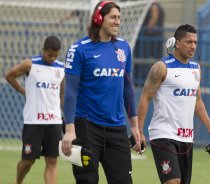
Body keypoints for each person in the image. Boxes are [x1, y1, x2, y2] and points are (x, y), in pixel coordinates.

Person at [61, 1, 141, 184]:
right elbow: (70, 92)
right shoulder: (78, 49)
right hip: (86, 126)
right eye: (113, 17)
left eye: (119, 18)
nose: (118, 22)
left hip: (116, 127)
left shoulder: (124, 48)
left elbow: (128, 88)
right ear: (98, 19)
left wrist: (134, 126)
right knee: (87, 181)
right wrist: (69, 129)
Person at [138, 24, 210, 184]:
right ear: (176, 43)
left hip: (186, 138)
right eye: (189, 42)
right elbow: (145, 97)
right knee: (172, 181)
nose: (193, 46)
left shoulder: (196, 69)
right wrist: (139, 131)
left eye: (195, 42)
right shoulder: (161, 67)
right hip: (163, 135)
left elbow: (197, 101)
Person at [5, 36, 64, 184]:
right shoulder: (29, 64)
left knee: (52, 161)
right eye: (49, 54)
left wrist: (62, 111)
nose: (52, 58)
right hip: (33, 121)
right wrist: (24, 91)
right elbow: (9, 76)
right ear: (43, 50)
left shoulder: (61, 68)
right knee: (28, 161)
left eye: (55, 55)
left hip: (54, 122)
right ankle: (18, 182)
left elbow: (62, 93)